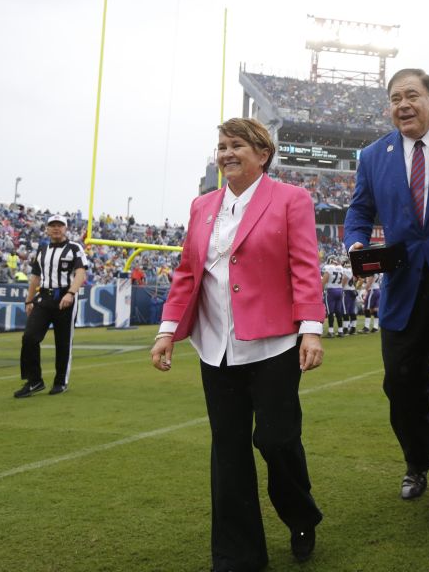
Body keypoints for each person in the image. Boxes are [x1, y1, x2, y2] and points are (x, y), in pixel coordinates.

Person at [149, 118, 326, 572]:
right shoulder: (202, 205)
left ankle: (300, 515)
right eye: (222, 146)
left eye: (237, 146)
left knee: (276, 439)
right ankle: (237, 557)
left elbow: (305, 265)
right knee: (227, 450)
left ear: (262, 153)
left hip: (274, 344)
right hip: (215, 346)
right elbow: (189, 271)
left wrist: (311, 327)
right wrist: (168, 329)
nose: (227, 153)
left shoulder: (291, 199)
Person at [343, 67, 429, 533]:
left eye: (411, 95)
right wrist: (357, 243)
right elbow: (360, 210)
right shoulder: (372, 155)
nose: (402, 105)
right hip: (401, 289)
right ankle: (420, 458)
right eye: (394, 98)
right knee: (402, 388)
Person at [14, 215, 88, 398]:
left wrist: (71, 293)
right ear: (47, 229)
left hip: (65, 297)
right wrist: (29, 300)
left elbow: (80, 274)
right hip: (44, 297)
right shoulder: (42, 250)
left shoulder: (74, 248)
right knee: (29, 337)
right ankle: (34, 380)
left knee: (63, 342)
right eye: (52, 225)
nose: (56, 228)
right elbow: (35, 278)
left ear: (66, 228)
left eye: (60, 225)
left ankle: (60, 381)